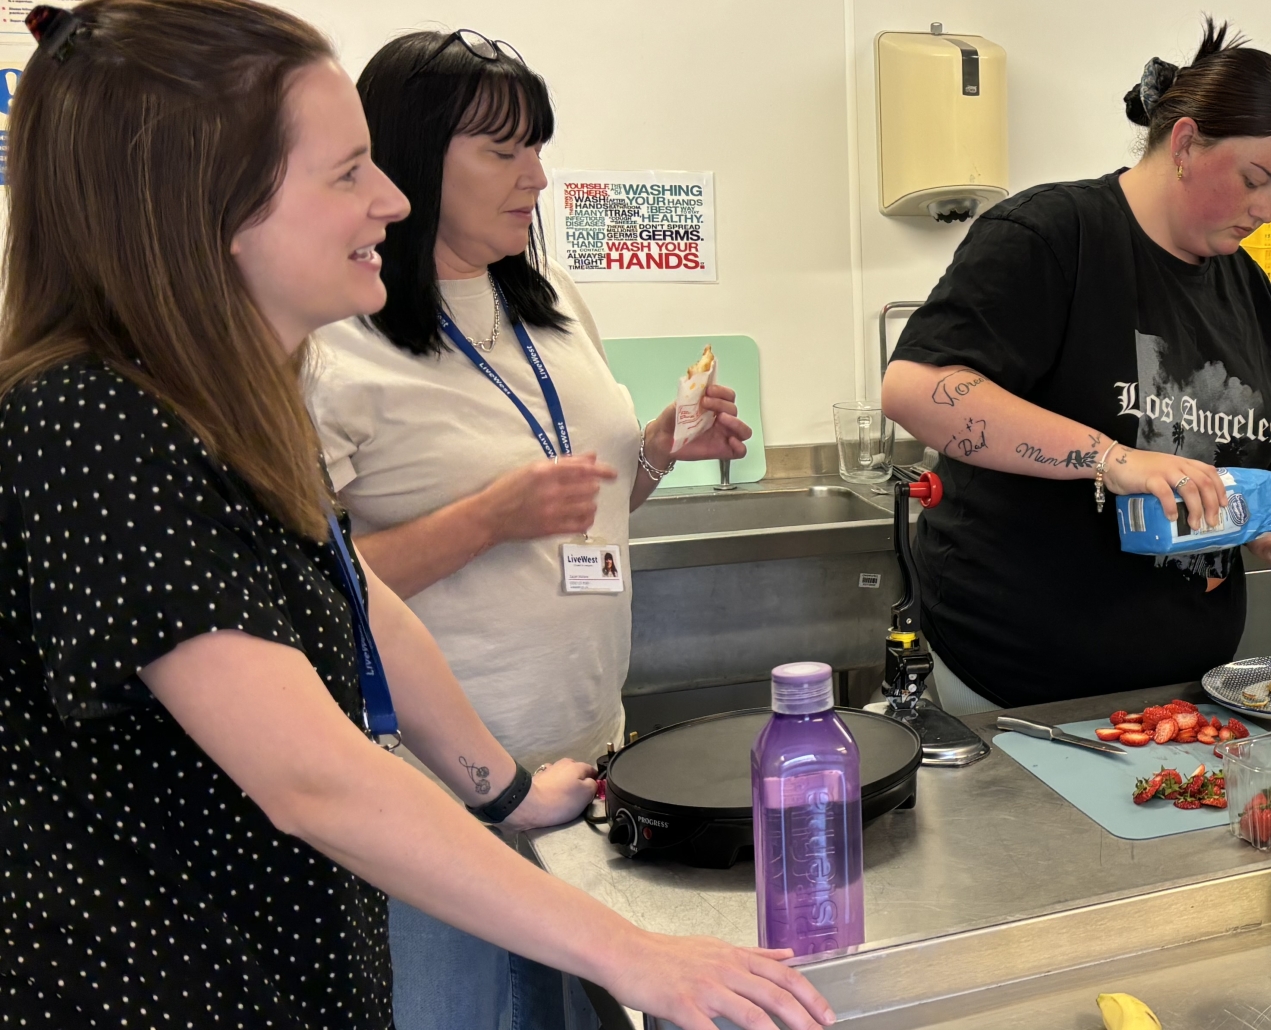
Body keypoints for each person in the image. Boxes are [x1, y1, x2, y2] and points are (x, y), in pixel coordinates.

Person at [0, 3, 831, 1028]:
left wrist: (504, 789)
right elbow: (311, 777)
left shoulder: (234, 401)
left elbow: (360, 603)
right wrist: (632, 952)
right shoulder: (90, 419)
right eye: (348, 172)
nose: (391, 201)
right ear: (202, 204)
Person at [300, 30, 753, 1028]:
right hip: (437, 798)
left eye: (538, 148)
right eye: (501, 151)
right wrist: (481, 521)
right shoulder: (336, 342)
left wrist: (658, 448)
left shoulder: (550, 307)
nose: (536, 177)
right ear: (414, 159)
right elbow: (304, 590)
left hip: (584, 767)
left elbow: (586, 508)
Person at [880, 19, 1271, 711]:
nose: (1267, 211)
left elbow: (1244, 462)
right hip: (1014, 687)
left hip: (1186, 692)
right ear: (1184, 143)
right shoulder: (1052, 237)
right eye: (1254, 180)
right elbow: (915, 390)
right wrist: (1111, 458)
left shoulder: (1246, 287)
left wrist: (1265, 525)